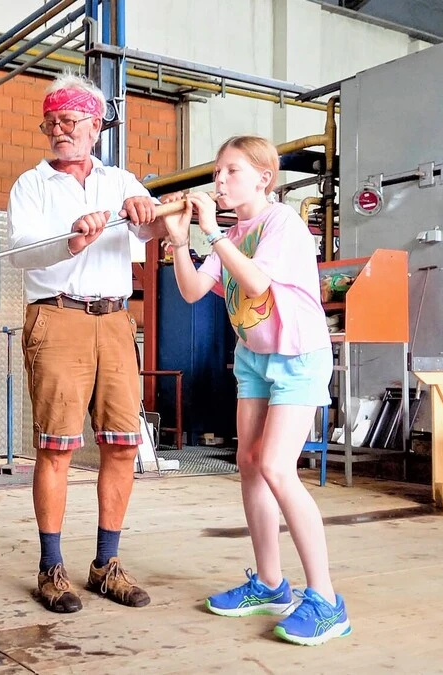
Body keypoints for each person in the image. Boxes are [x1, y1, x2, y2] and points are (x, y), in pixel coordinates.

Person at [157, 135, 351, 646]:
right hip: (255, 358)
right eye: (217, 173)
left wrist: (208, 233)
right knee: (248, 463)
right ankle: (269, 583)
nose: (219, 181)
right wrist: (180, 242)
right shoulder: (235, 231)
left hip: (297, 356)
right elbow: (194, 289)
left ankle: (327, 599)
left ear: (264, 177)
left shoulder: (280, 223)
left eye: (232, 171)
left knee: (276, 467)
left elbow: (259, 284)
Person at [6, 73, 163, 614]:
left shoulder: (122, 182)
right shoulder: (31, 185)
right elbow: (21, 254)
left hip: (116, 321)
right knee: (57, 447)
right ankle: (52, 569)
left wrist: (151, 215)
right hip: (59, 317)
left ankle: (106, 566)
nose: (58, 131)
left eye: (69, 122)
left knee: (121, 443)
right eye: (51, 123)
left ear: (95, 126)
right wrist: (73, 237)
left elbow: (153, 231)